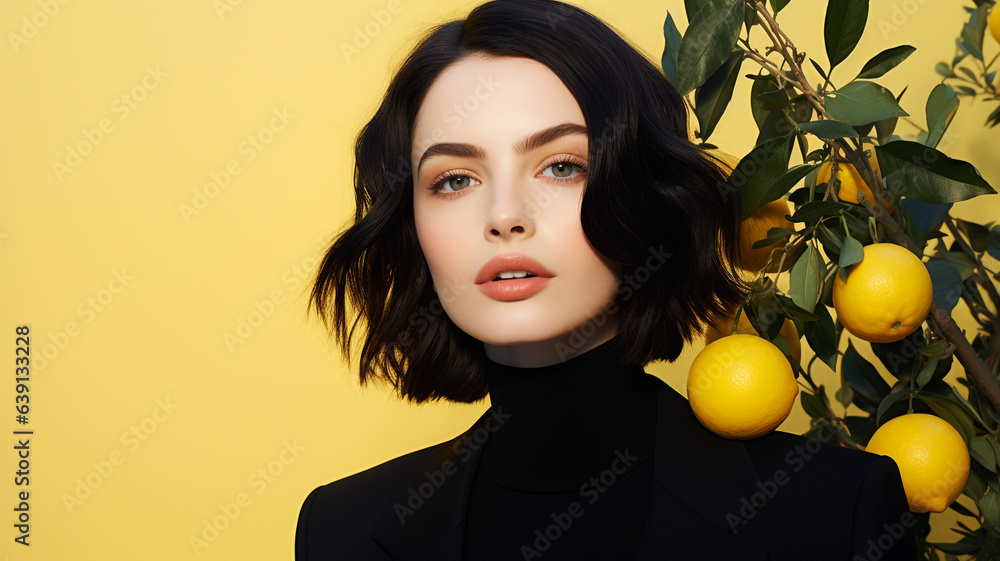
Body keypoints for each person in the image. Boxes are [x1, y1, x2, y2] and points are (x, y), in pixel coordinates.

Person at [295, 0, 917, 559]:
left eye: (562, 166)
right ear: (413, 224)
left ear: (647, 199)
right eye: (454, 179)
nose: (505, 215)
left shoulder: (840, 512)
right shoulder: (341, 531)